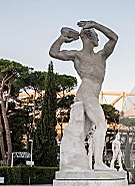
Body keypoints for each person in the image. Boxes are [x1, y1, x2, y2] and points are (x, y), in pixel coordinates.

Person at [49, 20, 118, 170]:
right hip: (86, 91)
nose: (99, 40)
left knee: (83, 133)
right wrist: (62, 38)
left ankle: (75, 164)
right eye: (97, 36)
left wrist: (95, 24)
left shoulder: (101, 56)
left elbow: (114, 37)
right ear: (89, 37)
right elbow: (53, 53)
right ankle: (99, 163)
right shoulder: (77, 55)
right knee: (101, 125)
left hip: (91, 94)